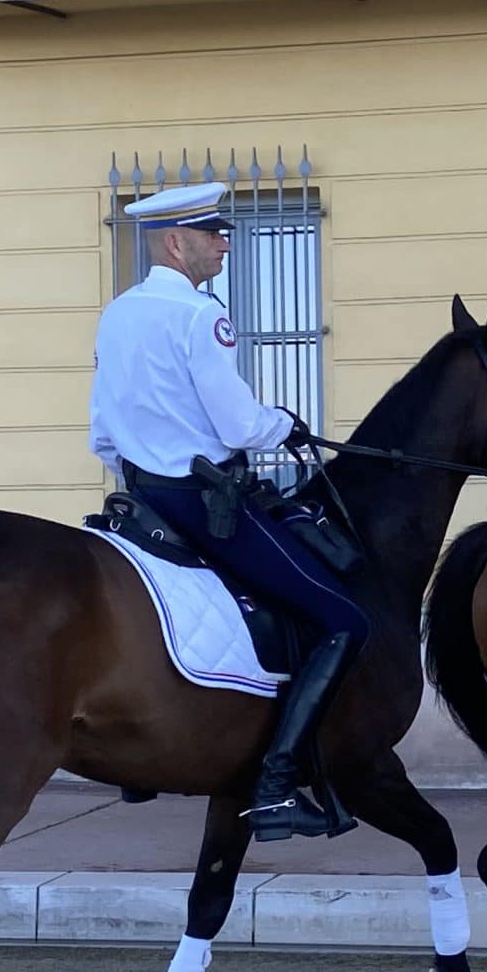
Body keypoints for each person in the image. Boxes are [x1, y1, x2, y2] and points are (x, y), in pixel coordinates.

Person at [90, 181, 368, 841]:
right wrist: (288, 425)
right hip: (205, 501)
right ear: (175, 241)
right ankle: (274, 789)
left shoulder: (119, 313)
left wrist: (141, 464)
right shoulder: (199, 315)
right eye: (214, 233)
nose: (225, 243)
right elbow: (239, 423)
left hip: (141, 499)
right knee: (342, 620)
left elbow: (103, 430)